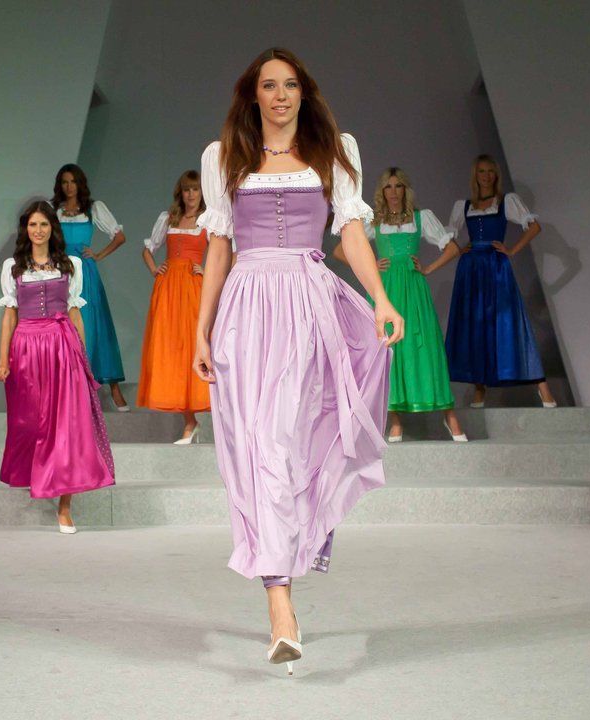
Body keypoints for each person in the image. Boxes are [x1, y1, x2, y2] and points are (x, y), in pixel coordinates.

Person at [193, 47, 403, 675]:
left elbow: (352, 233)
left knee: (292, 442)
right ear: (252, 95)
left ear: (303, 93)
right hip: (247, 313)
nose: (280, 95)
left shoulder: (335, 152)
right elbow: (218, 250)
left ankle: (293, 557)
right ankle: (280, 606)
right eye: (269, 85)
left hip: (310, 309)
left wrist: (381, 298)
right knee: (259, 446)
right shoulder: (223, 158)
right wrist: (201, 332)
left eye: (290, 85)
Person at [0, 201, 115, 533]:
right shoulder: (14, 267)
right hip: (26, 349)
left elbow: (75, 313)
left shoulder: (70, 265)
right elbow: (9, 316)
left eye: (44, 224)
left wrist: (83, 359)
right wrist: (3, 361)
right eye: (33, 225)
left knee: (67, 426)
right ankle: (40, 476)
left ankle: (65, 506)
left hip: (63, 348)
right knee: (31, 422)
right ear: (26, 229)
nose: (38, 230)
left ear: (52, 228)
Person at [333, 167, 466, 442]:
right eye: (388, 187)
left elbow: (453, 248)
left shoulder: (421, 217)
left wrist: (427, 269)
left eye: (398, 186)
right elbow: (341, 249)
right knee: (387, 349)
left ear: (406, 189)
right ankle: (394, 419)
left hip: (414, 291)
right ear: (382, 192)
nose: (393, 192)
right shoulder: (375, 221)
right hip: (386, 290)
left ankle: (449, 415)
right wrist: (372, 264)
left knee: (426, 346)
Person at [443, 155, 557, 408]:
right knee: (475, 325)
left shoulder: (506, 201)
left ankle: (543, 388)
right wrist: (460, 249)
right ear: (475, 175)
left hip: (496, 267)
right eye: (481, 171)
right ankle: (479, 390)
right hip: (471, 270)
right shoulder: (464, 205)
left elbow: (534, 227)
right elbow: (448, 234)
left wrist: (512, 250)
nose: (486, 176)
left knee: (510, 322)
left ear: (496, 175)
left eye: (490, 171)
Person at [136, 170, 210, 443]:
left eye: (195, 189)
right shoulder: (168, 218)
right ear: (181, 192)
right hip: (168, 290)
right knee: (172, 350)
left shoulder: (208, 220)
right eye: (187, 189)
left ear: (202, 192)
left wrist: (207, 271)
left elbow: (231, 252)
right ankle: (190, 423)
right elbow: (147, 249)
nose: (191, 194)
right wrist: (155, 269)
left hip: (193, 289)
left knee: (192, 347)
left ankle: (196, 423)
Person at [51, 164, 130, 410]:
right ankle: (68, 393)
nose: (69, 186)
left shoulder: (93, 208)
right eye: (65, 182)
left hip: (85, 273)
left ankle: (112, 389)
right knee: (63, 328)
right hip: (60, 272)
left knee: (94, 326)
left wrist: (97, 255)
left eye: (73, 181)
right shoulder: (53, 209)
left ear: (80, 183)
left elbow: (119, 236)